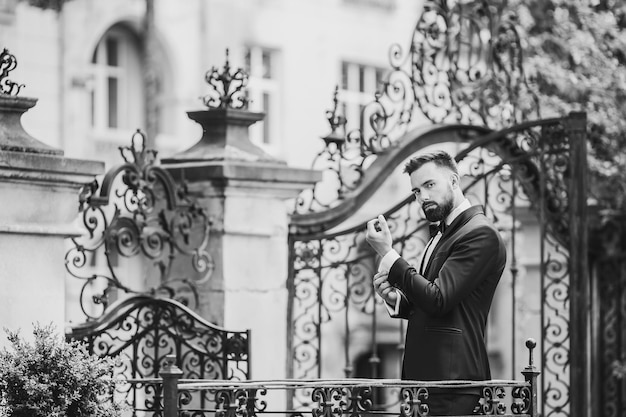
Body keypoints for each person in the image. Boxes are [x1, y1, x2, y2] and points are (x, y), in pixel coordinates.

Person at [365, 150, 506, 416]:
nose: (423, 196)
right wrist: (397, 300)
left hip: (453, 383)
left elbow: (438, 299)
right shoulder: (444, 233)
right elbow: (437, 301)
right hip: (427, 383)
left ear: (454, 181)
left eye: (430, 185)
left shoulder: (480, 234)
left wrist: (388, 254)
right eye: (417, 191)